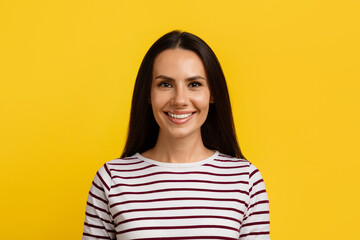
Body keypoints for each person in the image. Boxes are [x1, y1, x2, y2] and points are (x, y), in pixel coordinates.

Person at [82, 30, 270, 240]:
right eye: (165, 84)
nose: (180, 99)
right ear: (147, 94)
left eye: (194, 84)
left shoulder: (246, 180)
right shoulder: (112, 179)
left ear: (212, 93)